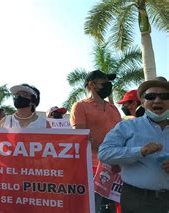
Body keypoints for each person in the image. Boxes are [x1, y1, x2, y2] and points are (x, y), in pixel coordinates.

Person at [98, 76, 169, 213]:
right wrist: (140, 151)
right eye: (151, 96)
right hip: (137, 200)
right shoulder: (126, 127)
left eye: (164, 96)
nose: (157, 100)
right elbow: (104, 153)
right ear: (142, 102)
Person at [70, 70, 121, 213]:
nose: (108, 86)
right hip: (92, 168)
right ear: (92, 85)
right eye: (104, 83)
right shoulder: (80, 106)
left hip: (116, 167)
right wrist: (109, 152)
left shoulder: (113, 108)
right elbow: (81, 137)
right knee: (93, 208)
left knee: (113, 208)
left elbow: (121, 134)